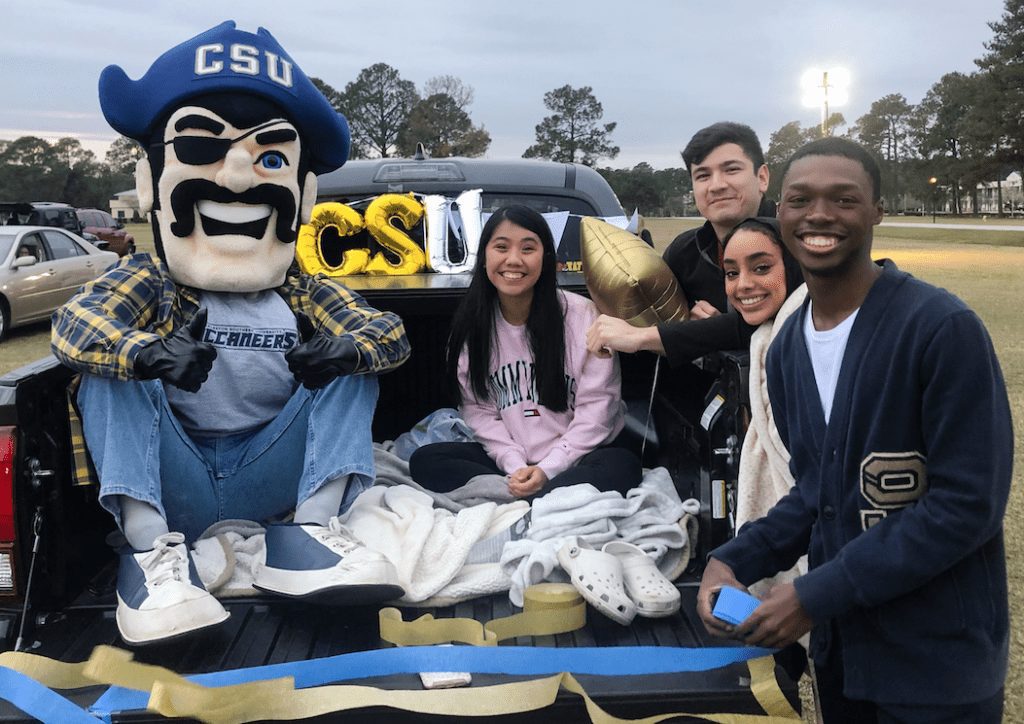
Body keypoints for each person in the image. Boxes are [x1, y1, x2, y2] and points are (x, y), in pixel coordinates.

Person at [51, 21, 411, 645]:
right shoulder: (152, 280)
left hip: (269, 474)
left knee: (356, 364)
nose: (240, 178)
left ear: (302, 192)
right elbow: (74, 325)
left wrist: (343, 350)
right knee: (107, 372)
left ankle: (309, 536)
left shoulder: (300, 287)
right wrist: (148, 355)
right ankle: (151, 560)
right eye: (200, 147)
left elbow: (388, 331)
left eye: (271, 158)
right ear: (150, 182)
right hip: (176, 480)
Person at [697, 138, 1012, 722]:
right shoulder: (789, 346)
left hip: (938, 661)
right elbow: (818, 489)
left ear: (876, 212)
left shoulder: (942, 329)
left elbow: (967, 506)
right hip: (846, 657)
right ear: (781, 212)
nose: (818, 214)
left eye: (843, 199)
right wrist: (735, 557)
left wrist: (816, 595)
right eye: (800, 200)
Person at [409, 204, 641, 499]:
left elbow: (597, 410)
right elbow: (478, 411)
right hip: (510, 461)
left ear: (546, 258)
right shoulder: (471, 327)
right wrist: (515, 465)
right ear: (484, 258)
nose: (514, 260)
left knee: (624, 466)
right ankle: (542, 497)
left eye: (528, 249)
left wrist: (549, 469)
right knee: (426, 460)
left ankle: (525, 496)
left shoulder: (584, 316)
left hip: (578, 457)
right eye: (501, 247)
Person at [587, 122, 773, 363]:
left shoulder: (793, 244)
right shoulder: (684, 252)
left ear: (762, 178)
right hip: (702, 397)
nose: (716, 185)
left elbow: (769, 323)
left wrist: (646, 336)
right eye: (703, 175)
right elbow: (653, 317)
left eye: (731, 170)